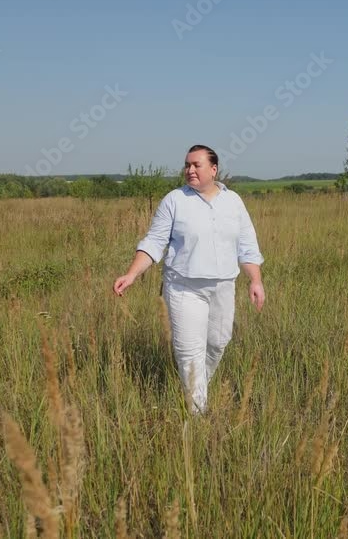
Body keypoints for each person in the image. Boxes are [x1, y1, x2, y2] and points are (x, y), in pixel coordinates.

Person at [113, 145, 265, 414]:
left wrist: (255, 280)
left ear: (214, 169)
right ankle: (198, 416)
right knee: (190, 352)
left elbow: (247, 245)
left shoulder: (233, 201)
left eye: (196, 165)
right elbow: (154, 242)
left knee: (217, 343)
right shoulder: (175, 200)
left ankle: (197, 391)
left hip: (223, 286)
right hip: (184, 287)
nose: (190, 170)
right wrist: (132, 273)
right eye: (187, 165)